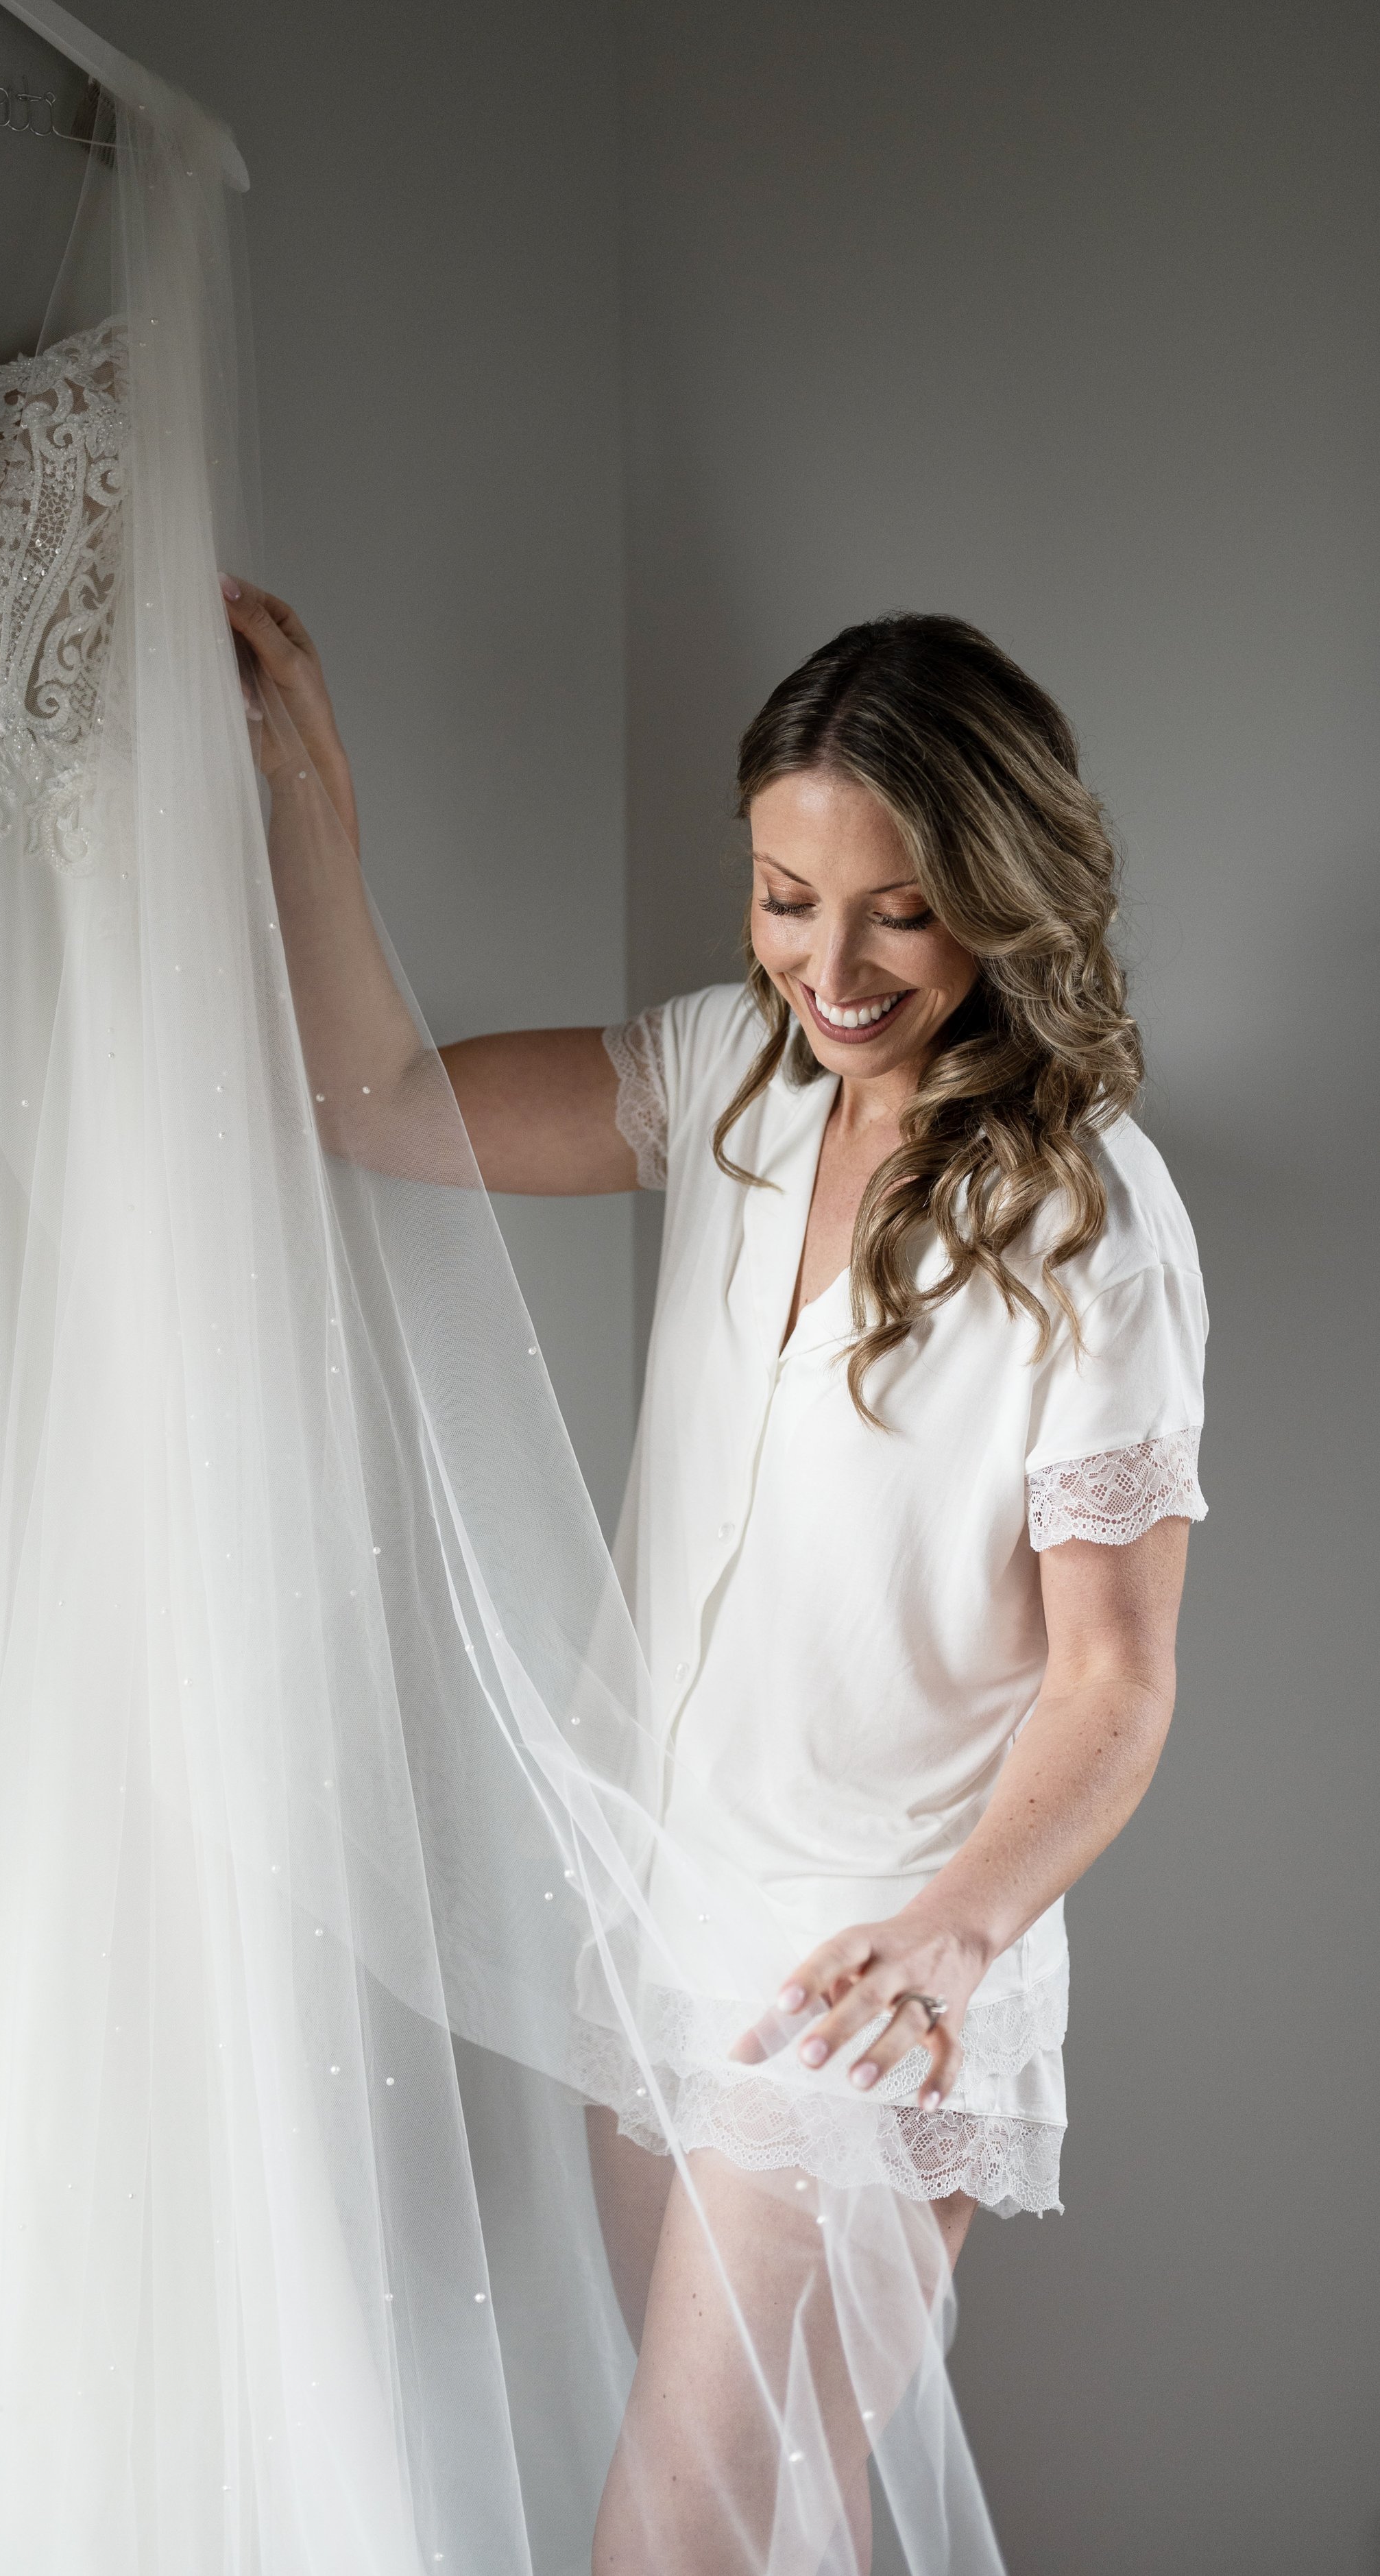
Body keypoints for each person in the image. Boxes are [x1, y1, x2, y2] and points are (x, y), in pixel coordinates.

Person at [223, 589, 1207, 2572]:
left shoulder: (1086, 1219)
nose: (823, 967)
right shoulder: (731, 1079)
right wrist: (307, 791)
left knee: (674, 2541)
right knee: (777, 2531)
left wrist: (952, 1934)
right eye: (781, 896)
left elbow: (1113, 1680)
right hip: (659, 1919)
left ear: (997, 893)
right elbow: (375, 1106)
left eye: (894, 913)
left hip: (870, 1971)